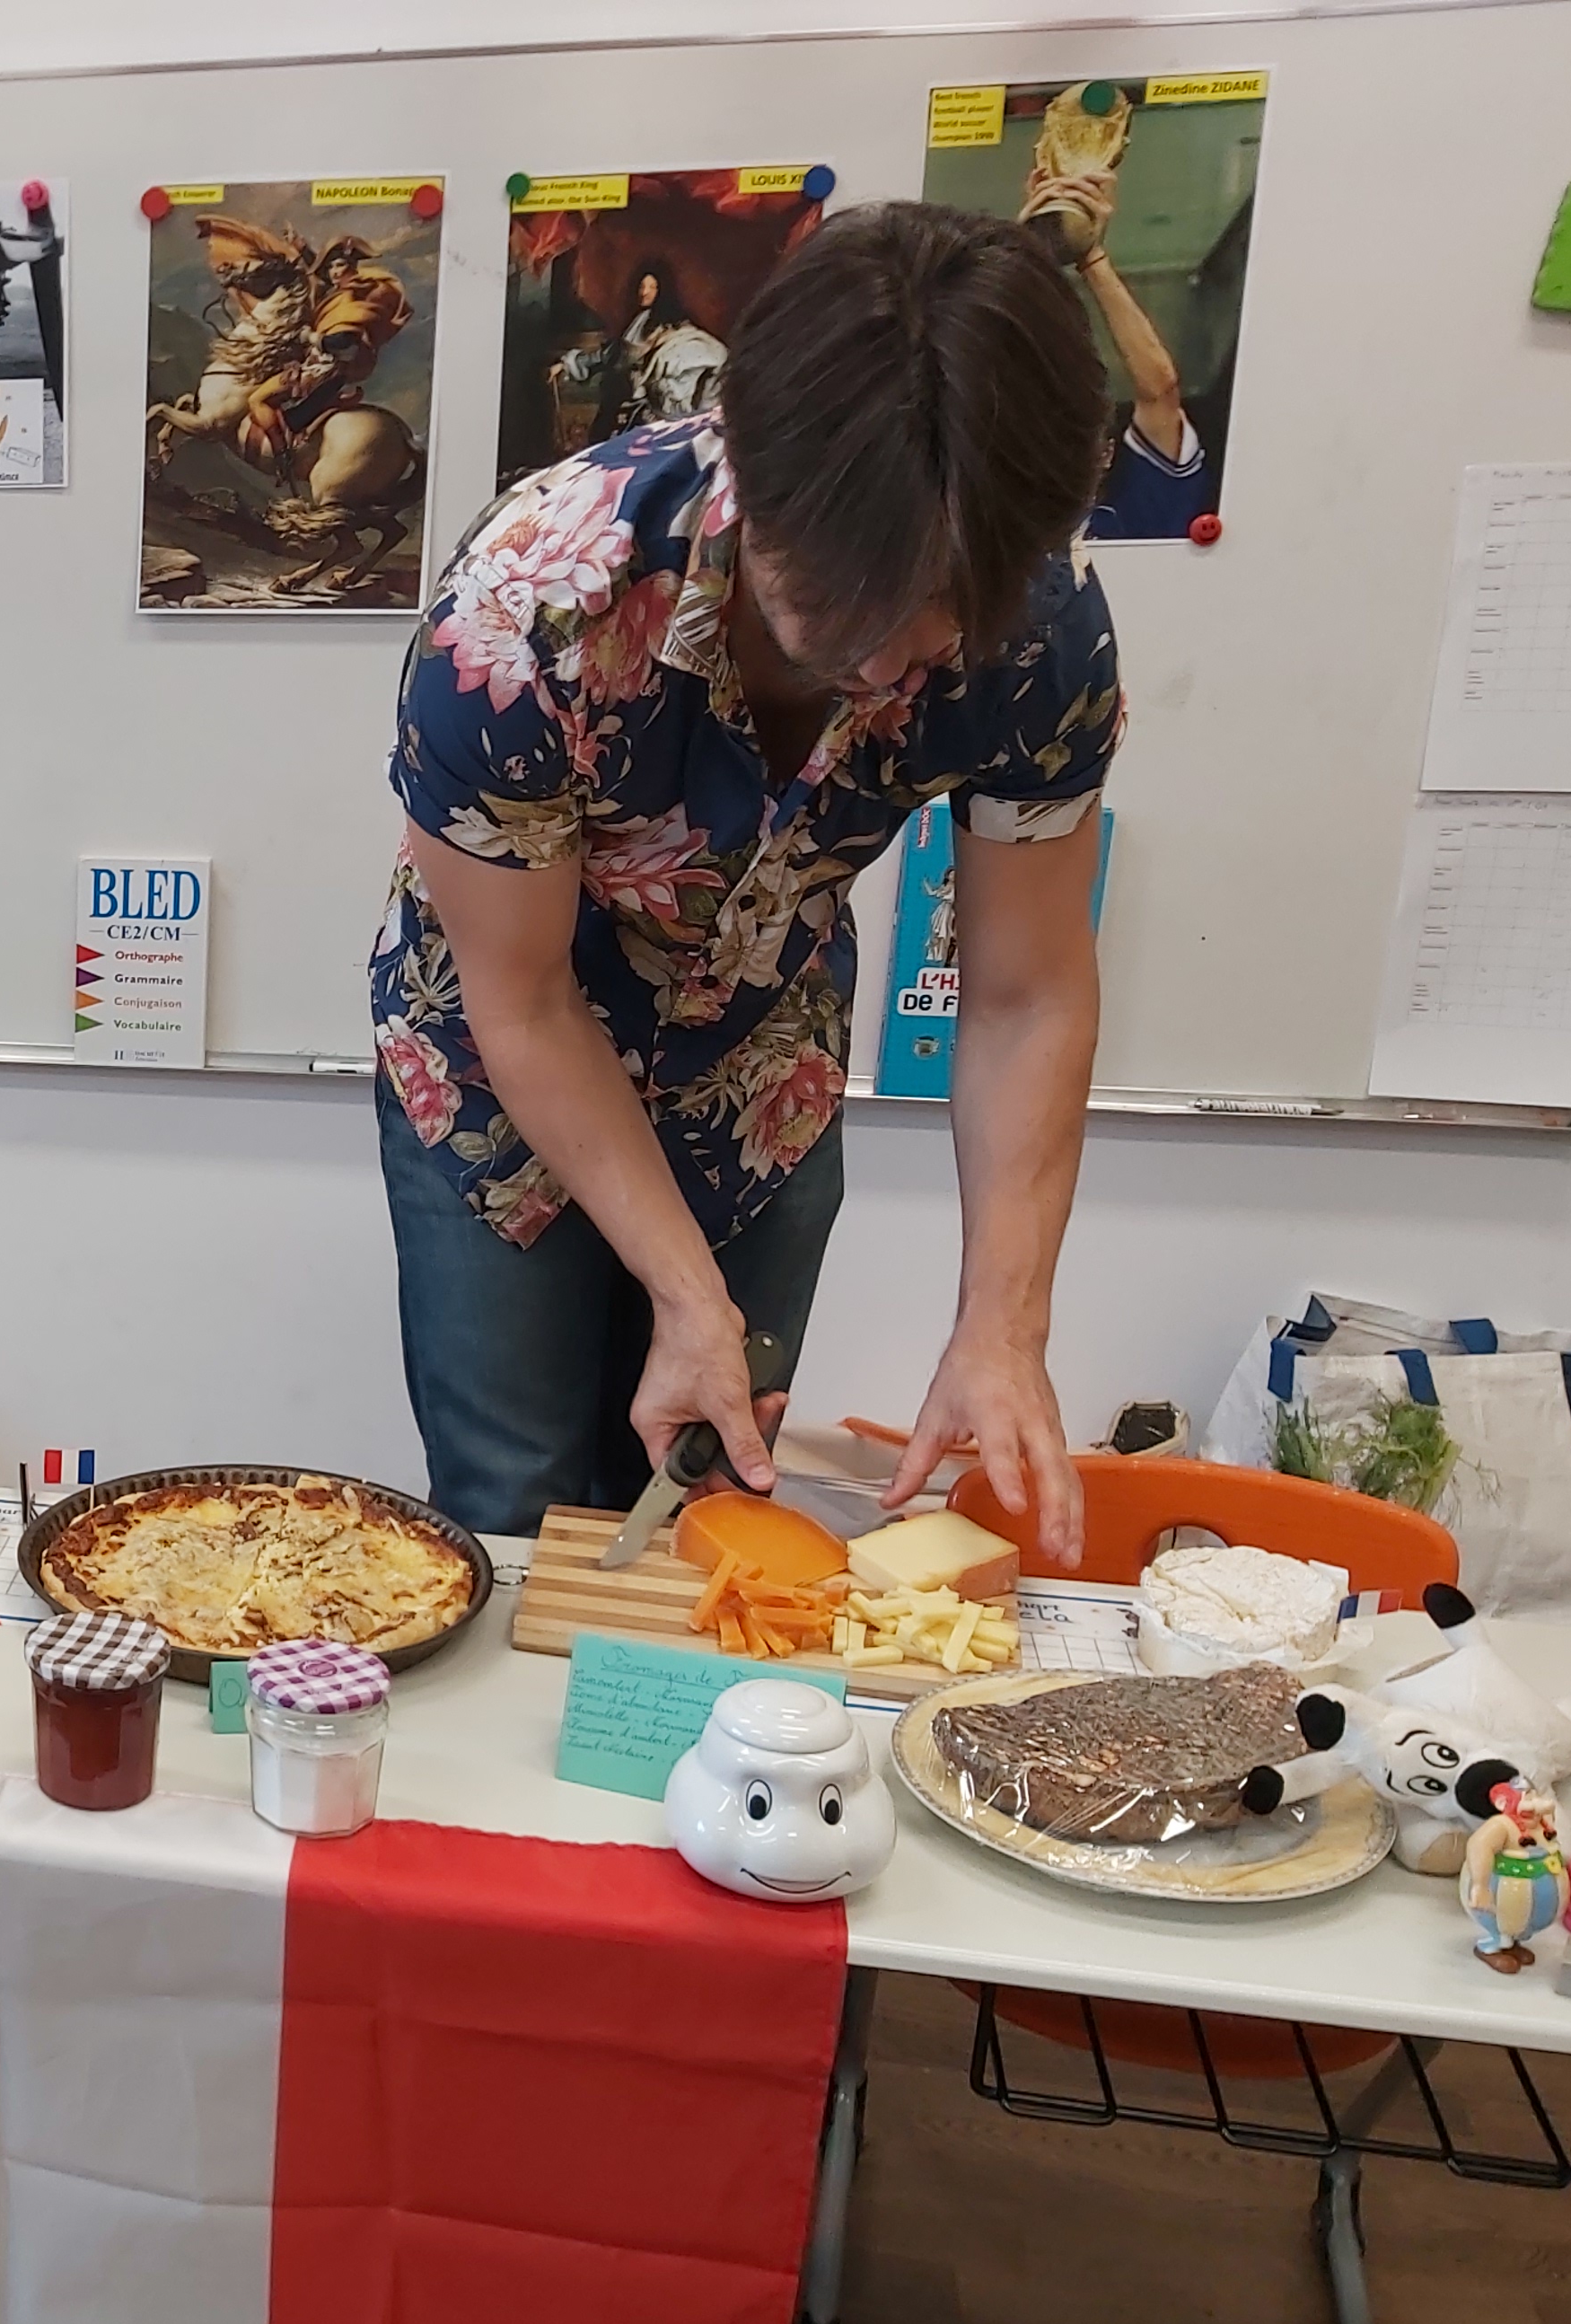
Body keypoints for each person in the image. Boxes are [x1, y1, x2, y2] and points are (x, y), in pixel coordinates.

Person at [373, 201, 1119, 1563]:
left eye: (939, 624)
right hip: (500, 1076)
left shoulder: (1041, 628)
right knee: (521, 1512)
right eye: (836, 612)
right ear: (747, 469)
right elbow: (523, 999)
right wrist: (683, 1294)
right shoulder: (530, 607)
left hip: (757, 1068)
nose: (887, 666)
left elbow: (1028, 996)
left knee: (706, 1511)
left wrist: (1005, 1327)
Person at [1021, 167, 1214, 541]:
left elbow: (1160, 391)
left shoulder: (1138, 514)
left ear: (1106, 453)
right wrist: (1025, 256)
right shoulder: (991, 517)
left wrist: (1091, 257)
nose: (1057, 451)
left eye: (1074, 438)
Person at [613, 259, 729, 426]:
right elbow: (622, 354)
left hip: (672, 390)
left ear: (662, 290)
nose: (644, 292)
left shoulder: (673, 321)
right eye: (642, 286)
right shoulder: (639, 321)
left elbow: (681, 341)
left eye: (652, 287)